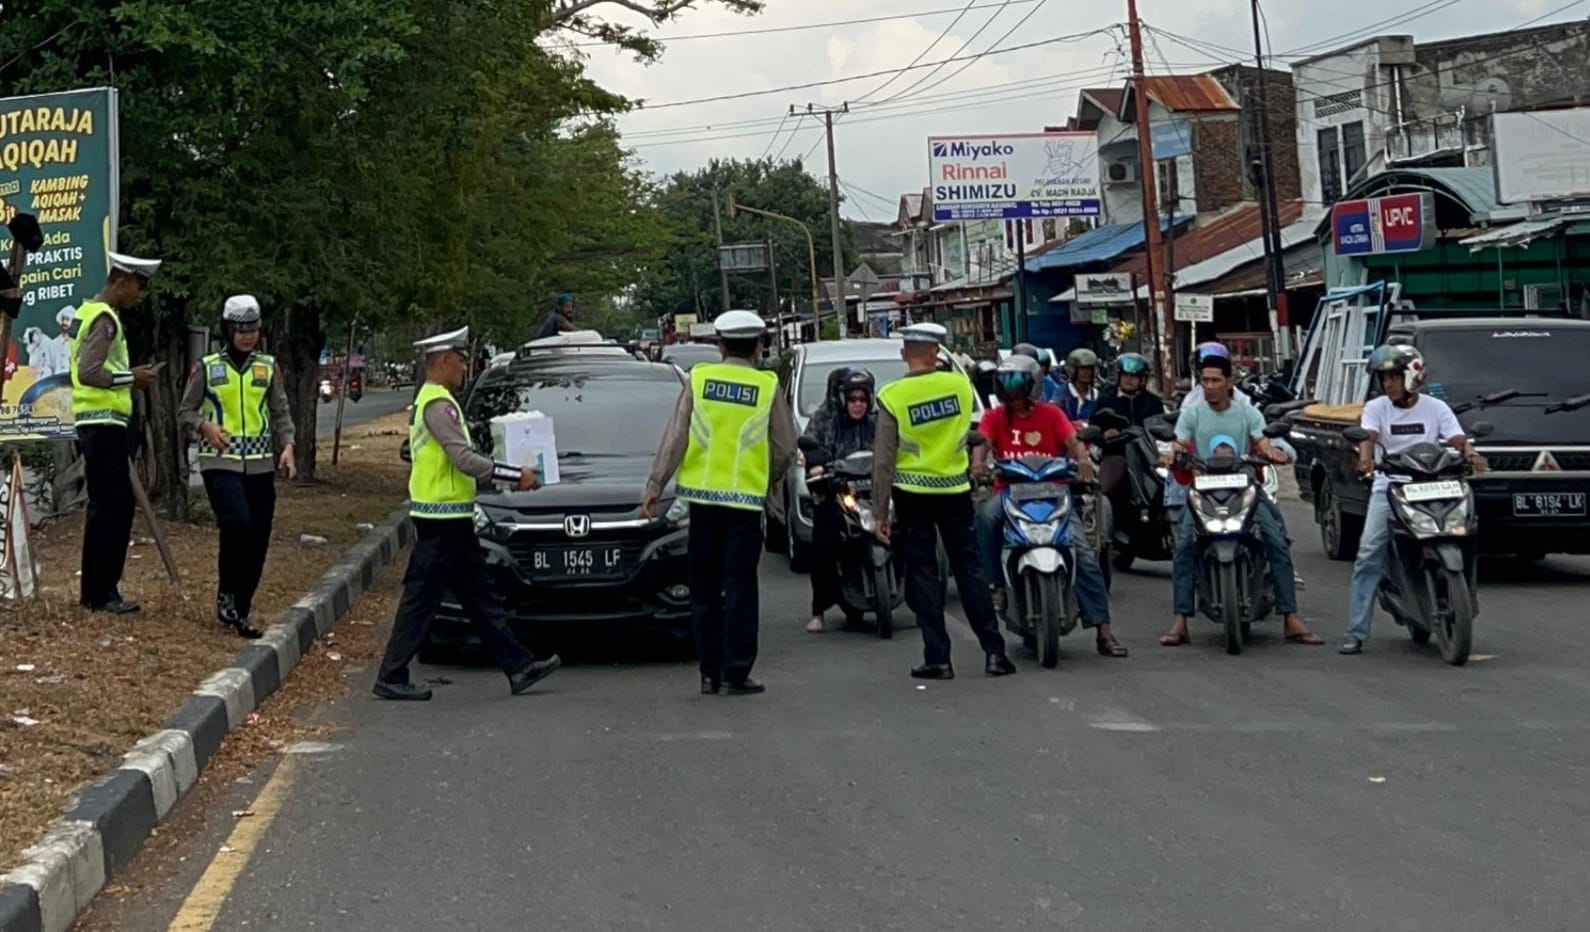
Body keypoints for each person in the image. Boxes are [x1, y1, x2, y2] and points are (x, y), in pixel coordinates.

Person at [373, 326, 561, 701]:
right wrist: (514, 476)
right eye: (460, 360)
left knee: (479, 596)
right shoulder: (438, 404)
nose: (464, 367)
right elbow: (462, 458)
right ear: (442, 361)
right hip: (440, 516)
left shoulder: (436, 400)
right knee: (422, 598)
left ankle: (519, 666)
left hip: (451, 515)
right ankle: (392, 674)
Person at [642, 310, 796, 696]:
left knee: (704, 587)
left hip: (702, 502)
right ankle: (736, 673)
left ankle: (709, 672)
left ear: (720, 345)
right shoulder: (766, 386)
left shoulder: (700, 379)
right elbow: (785, 447)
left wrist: (656, 483)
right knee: (741, 587)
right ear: (759, 346)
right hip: (744, 503)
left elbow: (676, 436)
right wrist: (769, 479)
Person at [873, 321, 1016, 680]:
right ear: (936, 352)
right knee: (970, 570)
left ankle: (938, 657)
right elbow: (973, 431)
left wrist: (879, 511)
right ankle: (994, 653)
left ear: (905, 354)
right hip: (954, 491)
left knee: (922, 573)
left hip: (912, 494)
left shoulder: (893, 396)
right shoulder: (959, 385)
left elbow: (883, 459)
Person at [1158, 346, 1323, 647]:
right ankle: (1181, 621)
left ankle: (1290, 617)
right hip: (1203, 490)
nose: (1209, 387)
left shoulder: (1247, 413)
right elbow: (1180, 443)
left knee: (1276, 540)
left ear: (1229, 381)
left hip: (1245, 489)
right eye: (1205, 381)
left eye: (1215, 380)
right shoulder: (1192, 413)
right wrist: (1173, 455)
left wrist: (1272, 453)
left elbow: (1262, 441)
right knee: (1183, 546)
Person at [973, 354, 1127, 658]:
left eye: (1017, 384)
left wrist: (1082, 461)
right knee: (985, 517)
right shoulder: (994, 417)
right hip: (1010, 494)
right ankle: (995, 587)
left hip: (1055, 496)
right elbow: (983, 442)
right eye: (1006, 384)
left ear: (1033, 386)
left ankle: (1104, 631)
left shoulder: (1052, 414)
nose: (1012, 392)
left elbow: (1073, 441)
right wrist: (978, 465)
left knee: (1083, 554)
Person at [1339, 344, 1482, 655]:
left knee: (1468, 531)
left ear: (1412, 376)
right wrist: (1366, 460)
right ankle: (1356, 631)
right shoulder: (1376, 408)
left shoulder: (1436, 408)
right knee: (1368, 553)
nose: (1387, 383)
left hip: (1435, 485)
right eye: (1383, 378)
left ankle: (1461, 597)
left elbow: (1457, 439)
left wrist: (1472, 453)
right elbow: (1368, 437)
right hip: (1390, 486)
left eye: (1393, 376)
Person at [177, 296, 298, 638]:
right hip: (221, 462)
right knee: (237, 523)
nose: (247, 336)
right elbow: (185, 411)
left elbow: (281, 412)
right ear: (227, 329)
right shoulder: (207, 367)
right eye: (240, 329)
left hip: (259, 465)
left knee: (258, 537)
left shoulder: (267, 367)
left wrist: (288, 445)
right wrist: (205, 426)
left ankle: (241, 610)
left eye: (253, 329)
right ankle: (226, 595)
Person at [69, 252, 162, 614]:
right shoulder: (104, 319)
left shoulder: (92, 313)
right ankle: (101, 592)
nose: (138, 295)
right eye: (137, 285)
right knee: (112, 507)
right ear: (120, 279)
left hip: (100, 423)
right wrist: (131, 378)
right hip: (102, 422)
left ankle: (99, 590)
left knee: (110, 505)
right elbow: (89, 372)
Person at [802, 366, 877, 633]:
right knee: (823, 540)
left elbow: (892, 449)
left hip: (873, 493)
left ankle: (919, 599)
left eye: (863, 399)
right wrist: (817, 466)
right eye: (853, 399)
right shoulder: (824, 419)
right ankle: (818, 610)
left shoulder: (877, 422)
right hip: (838, 492)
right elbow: (811, 449)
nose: (858, 405)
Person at [1094, 351, 1166, 535]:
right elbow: (1095, 426)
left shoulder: (1153, 402)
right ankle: (1111, 529)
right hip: (1117, 453)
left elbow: (1163, 427)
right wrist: (1106, 434)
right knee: (1110, 486)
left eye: (1134, 376)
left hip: (1148, 456)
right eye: (1126, 375)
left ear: (1143, 379)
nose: (1129, 380)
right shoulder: (1106, 400)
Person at [1058, 347, 1100, 425]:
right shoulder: (1060, 395)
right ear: (1072, 369)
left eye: (1089, 369)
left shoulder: (1097, 396)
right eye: (1082, 369)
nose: (1086, 372)